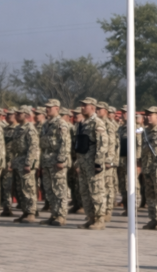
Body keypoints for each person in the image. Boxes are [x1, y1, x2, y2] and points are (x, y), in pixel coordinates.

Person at [73, 98, 111, 230]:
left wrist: (99, 162)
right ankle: (90, 218)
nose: (82, 108)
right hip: (83, 163)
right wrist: (77, 162)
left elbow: (102, 144)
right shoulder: (81, 123)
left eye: (85, 106)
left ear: (93, 108)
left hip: (93, 163)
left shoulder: (97, 123)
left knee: (97, 191)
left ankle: (100, 219)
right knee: (85, 192)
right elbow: (79, 144)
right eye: (81, 105)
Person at [38, 100, 72, 226]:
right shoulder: (46, 124)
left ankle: (61, 216)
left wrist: (61, 159)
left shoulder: (61, 123)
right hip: (47, 159)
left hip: (56, 159)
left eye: (49, 107)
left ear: (56, 108)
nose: (47, 109)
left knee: (59, 188)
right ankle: (54, 214)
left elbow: (65, 142)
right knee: (49, 189)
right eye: (46, 107)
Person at [11, 107, 41, 223]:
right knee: (20, 188)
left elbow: (32, 147)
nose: (16, 115)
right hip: (18, 160)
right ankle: (24, 211)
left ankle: (31, 213)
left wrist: (28, 163)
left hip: (25, 161)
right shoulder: (18, 128)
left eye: (19, 113)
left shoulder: (30, 129)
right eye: (16, 113)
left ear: (26, 115)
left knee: (28, 188)